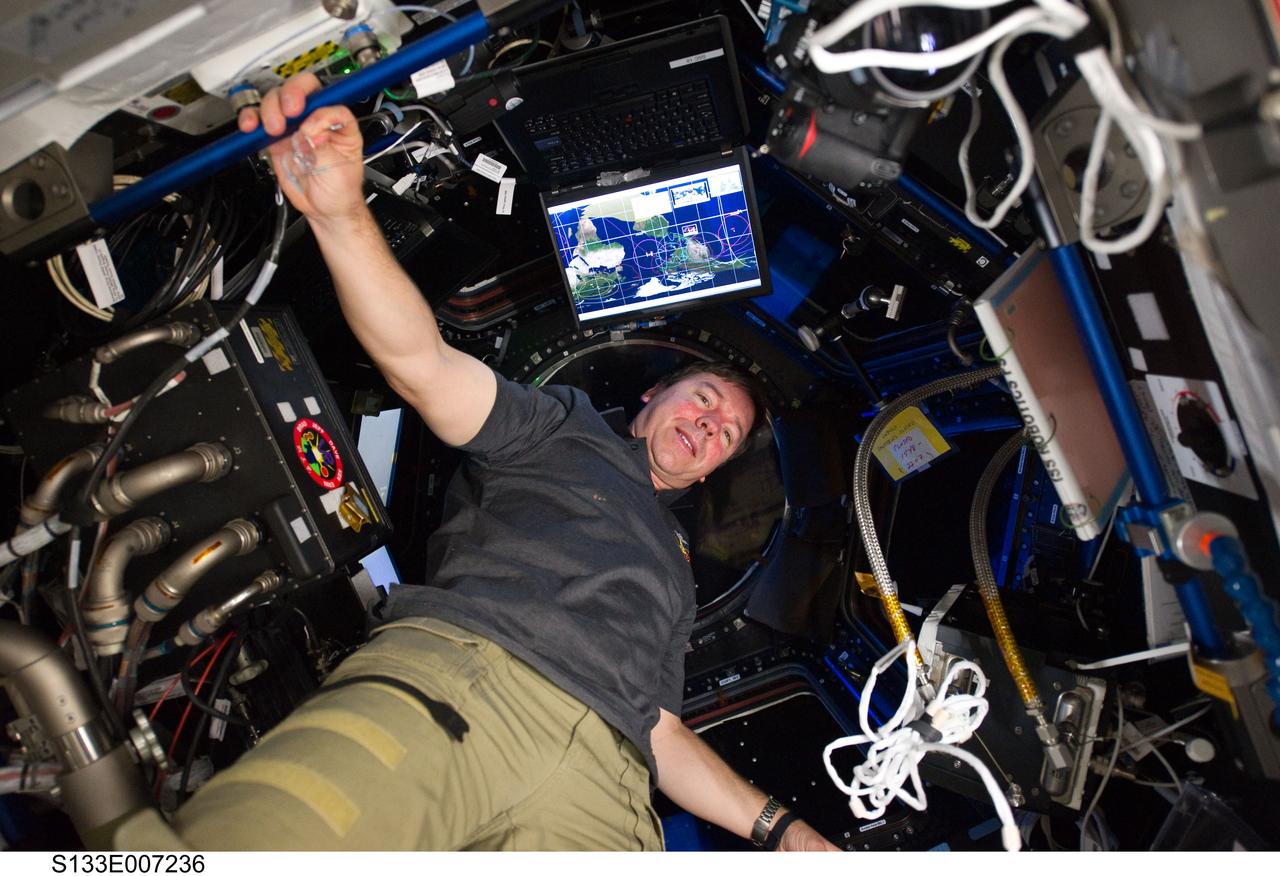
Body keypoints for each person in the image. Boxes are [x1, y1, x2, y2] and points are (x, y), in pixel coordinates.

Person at [124, 72, 838, 852]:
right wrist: (341, 215)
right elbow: (422, 365)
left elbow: (660, 729)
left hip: (607, 788)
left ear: (709, 474)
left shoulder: (674, 578)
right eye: (703, 400)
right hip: (459, 688)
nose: (709, 426)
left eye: (727, 433)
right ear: (649, 401)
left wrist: (782, 828)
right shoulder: (560, 431)